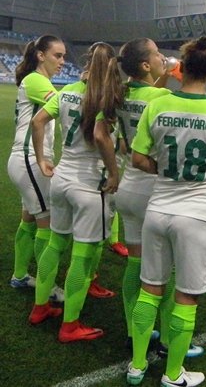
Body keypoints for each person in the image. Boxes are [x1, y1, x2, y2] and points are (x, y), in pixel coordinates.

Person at [126, 36, 206, 387]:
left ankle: (136, 366)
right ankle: (173, 374)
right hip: (194, 214)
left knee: (149, 289)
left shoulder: (157, 105)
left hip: (158, 208)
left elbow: (138, 158)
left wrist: (165, 170)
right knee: (186, 295)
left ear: (182, 68)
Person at [101, 37, 204, 358]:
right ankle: (169, 342)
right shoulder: (163, 98)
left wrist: (164, 75)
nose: (164, 57)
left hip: (128, 187)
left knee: (135, 264)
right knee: (165, 272)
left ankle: (135, 333)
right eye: (158, 54)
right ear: (146, 64)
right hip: (153, 190)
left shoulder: (120, 92)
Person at [28, 42, 118, 342]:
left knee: (55, 244)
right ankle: (70, 326)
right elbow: (101, 137)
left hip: (61, 178)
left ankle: (40, 307)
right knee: (82, 255)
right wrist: (114, 172)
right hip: (89, 184)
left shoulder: (66, 91)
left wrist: (42, 158)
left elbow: (37, 121)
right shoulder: (107, 97)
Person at [7, 35, 65, 302]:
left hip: (24, 159)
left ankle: (20, 275)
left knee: (29, 220)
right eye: (57, 55)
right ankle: (47, 287)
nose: (62, 61)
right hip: (30, 160)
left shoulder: (36, 80)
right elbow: (67, 105)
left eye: (64, 56)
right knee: (47, 225)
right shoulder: (36, 80)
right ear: (41, 55)